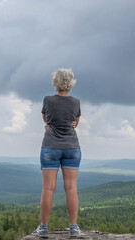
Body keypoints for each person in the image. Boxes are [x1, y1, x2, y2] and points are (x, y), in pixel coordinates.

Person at [32, 68, 84, 237]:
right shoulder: (76, 102)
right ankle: (74, 227)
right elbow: (75, 122)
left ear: (55, 82)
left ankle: (44, 228)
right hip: (71, 147)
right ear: (70, 83)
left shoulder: (47, 100)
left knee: (48, 188)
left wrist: (50, 125)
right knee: (71, 187)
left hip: (50, 147)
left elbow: (45, 118)